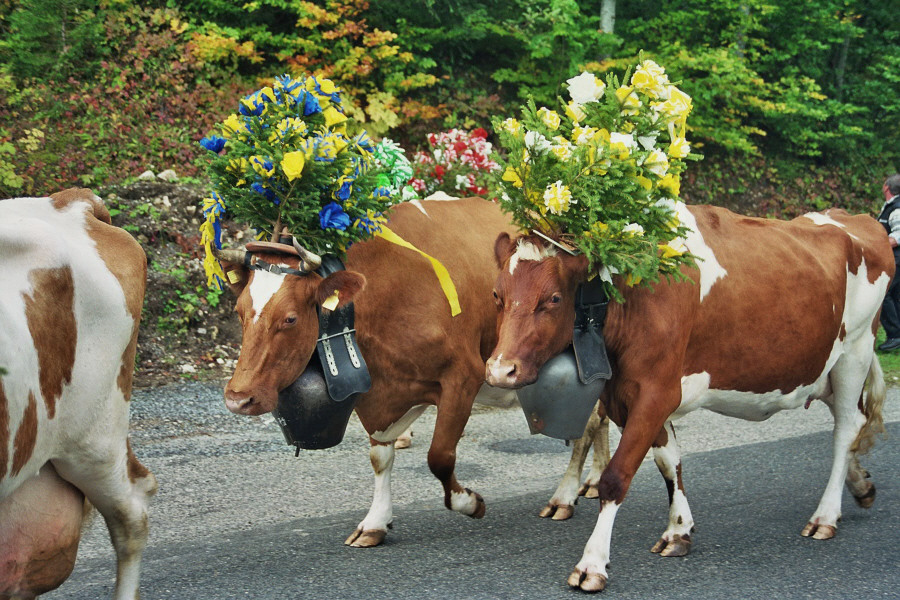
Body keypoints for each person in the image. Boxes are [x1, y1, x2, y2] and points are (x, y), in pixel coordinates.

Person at [877, 173, 900, 351]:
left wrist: (875, 245)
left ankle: (894, 335)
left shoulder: (896, 208)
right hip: (895, 259)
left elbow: (897, 237)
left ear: (886, 187)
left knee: (883, 295)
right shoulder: (891, 207)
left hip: (897, 259)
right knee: (895, 296)